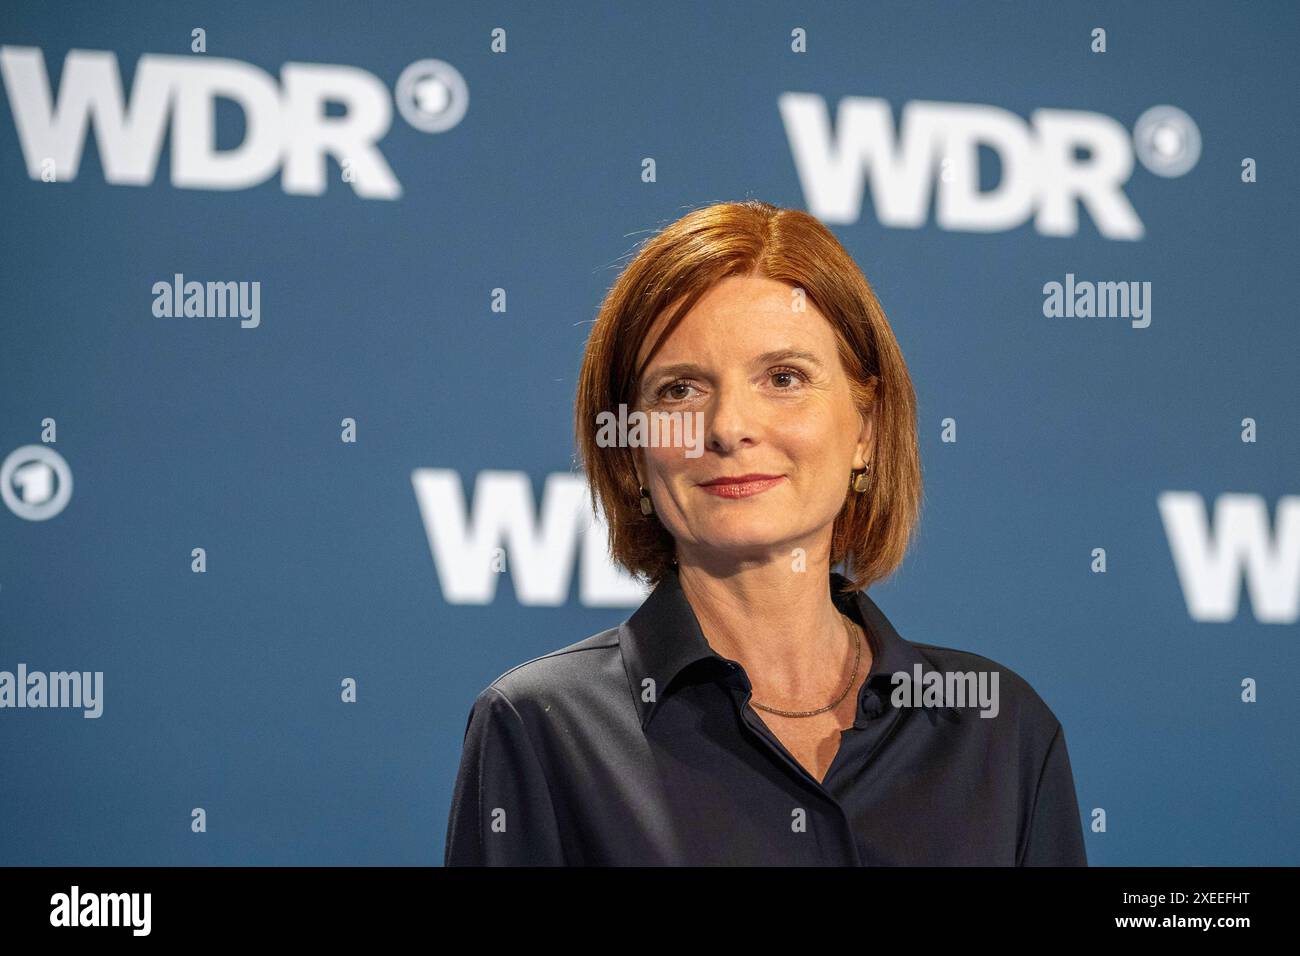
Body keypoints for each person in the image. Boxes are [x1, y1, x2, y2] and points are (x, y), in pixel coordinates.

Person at [444, 199, 1087, 865]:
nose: (728, 427)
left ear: (864, 428)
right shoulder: (539, 730)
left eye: (784, 378)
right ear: (634, 449)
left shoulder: (997, 731)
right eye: (679, 392)